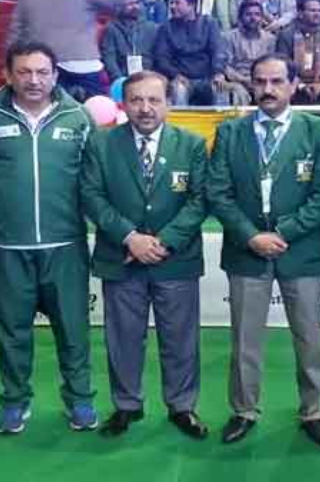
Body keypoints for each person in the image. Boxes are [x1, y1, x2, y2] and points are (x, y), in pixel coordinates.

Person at [0, 42, 98, 434]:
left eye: (42, 72)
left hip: (66, 246)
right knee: (12, 334)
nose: (34, 80)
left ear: (55, 75)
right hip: (7, 249)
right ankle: (15, 402)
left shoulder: (79, 118)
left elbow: (95, 181)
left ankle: (81, 400)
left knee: (73, 331)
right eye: (24, 72)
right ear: (8, 75)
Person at [207, 53, 320, 447]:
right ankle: (244, 410)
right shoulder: (231, 133)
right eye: (261, 81)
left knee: (310, 337)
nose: (268, 89)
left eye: (276, 81)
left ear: (293, 84)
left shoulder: (319, 131)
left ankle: (313, 409)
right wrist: (251, 235)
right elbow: (218, 191)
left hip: (301, 250)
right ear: (251, 84)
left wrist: (282, 232)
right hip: (247, 250)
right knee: (245, 338)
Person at [81, 70, 210, 439]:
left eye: (154, 99)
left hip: (177, 260)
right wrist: (129, 237)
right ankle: (126, 406)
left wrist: (163, 241)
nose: (145, 108)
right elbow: (91, 196)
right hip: (120, 260)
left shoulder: (192, 144)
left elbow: (200, 200)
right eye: (136, 100)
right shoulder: (101, 144)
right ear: (124, 104)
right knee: (122, 338)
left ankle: (182, 407)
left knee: (180, 339)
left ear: (168, 103)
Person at [7, 0, 133, 98]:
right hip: (82, 63)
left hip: (41, 65)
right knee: (92, 113)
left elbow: (15, 33)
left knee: (48, 113)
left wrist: (11, 64)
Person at [153, 0, 233, 106]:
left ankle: (223, 124)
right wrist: (175, 74)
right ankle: (179, 124)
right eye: (171, 3)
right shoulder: (166, 28)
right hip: (181, 78)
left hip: (208, 78)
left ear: (191, 5)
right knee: (179, 90)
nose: (172, 7)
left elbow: (218, 50)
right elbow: (161, 57)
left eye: (177, 3)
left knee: (220, 88)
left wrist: (218, 73)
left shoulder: (209, 23)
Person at [276, 0, 320, 104]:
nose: (317, 14)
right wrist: (301, 86)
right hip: (295, 86)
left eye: (319, 11)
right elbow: (283, 66)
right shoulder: (286, 35)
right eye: (312, 10)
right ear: (300, 13)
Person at [224, 2, 276, 101]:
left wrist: (259, 80)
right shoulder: (229, 38)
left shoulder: (270, 39)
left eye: (257, 14)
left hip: (263, 79)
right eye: (248, 14)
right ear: (240, 17)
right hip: (237, 81)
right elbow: (226, 66)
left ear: (262, 18)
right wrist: (243, 80)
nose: (253, 18)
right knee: (238, 93)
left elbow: (272, 65)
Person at [101, 0, 159, 83]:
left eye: (136, 3)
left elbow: (158, 56)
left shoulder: (152, 28)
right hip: (122, 78)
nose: (135, 7)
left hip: (148, 78)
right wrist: (120, 80)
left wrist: (152, 77)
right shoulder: (112, 28)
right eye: (130, 4)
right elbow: (109, 57)